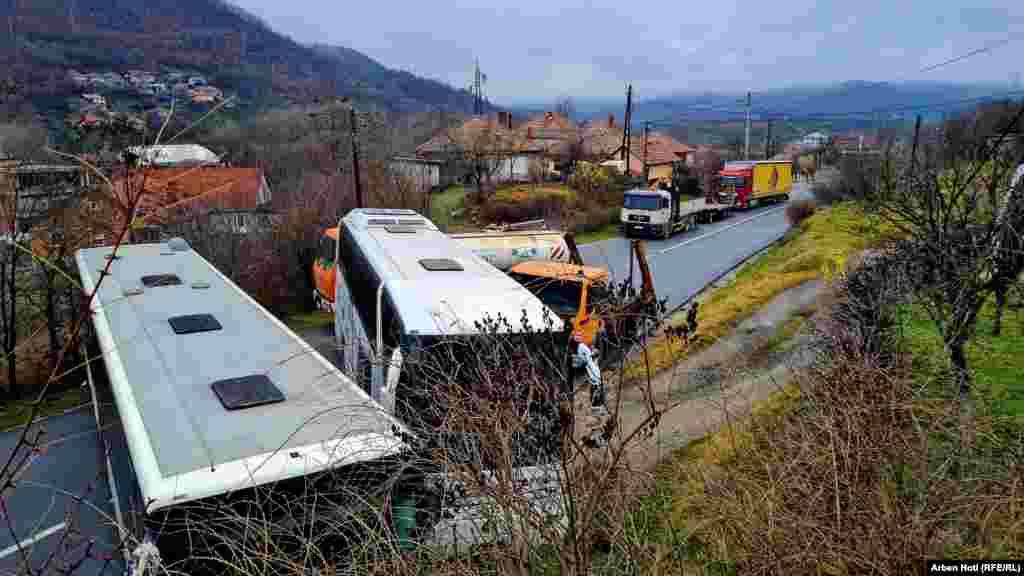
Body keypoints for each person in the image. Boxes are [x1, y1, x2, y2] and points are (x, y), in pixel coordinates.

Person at [572, 331, 607, 417]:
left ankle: (599, 408)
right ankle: (597, 410)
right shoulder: (583, 348)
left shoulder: (587, 347)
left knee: (598, 390)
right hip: (593, 373)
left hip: (595, 372)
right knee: (596, 390)